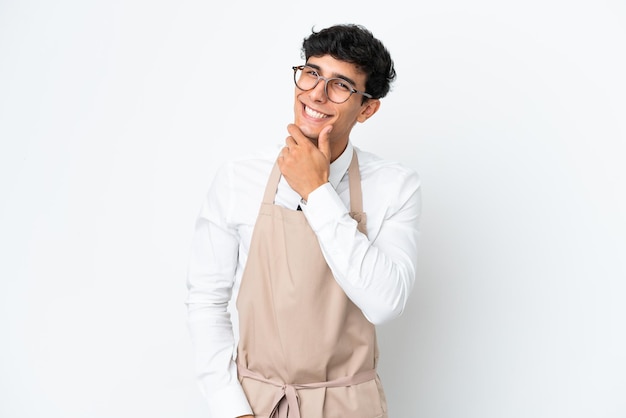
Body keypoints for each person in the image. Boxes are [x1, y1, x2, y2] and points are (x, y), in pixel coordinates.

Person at [186, 23, 422, 418]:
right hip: (256, 404)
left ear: (367, 108)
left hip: (350, 405)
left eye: (340, 85)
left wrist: (317, 191)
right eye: (312, 73)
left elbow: (385, 303)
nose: (316, 93)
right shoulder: (237, 178)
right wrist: (232, 408)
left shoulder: (396, 186)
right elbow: (206, 300)